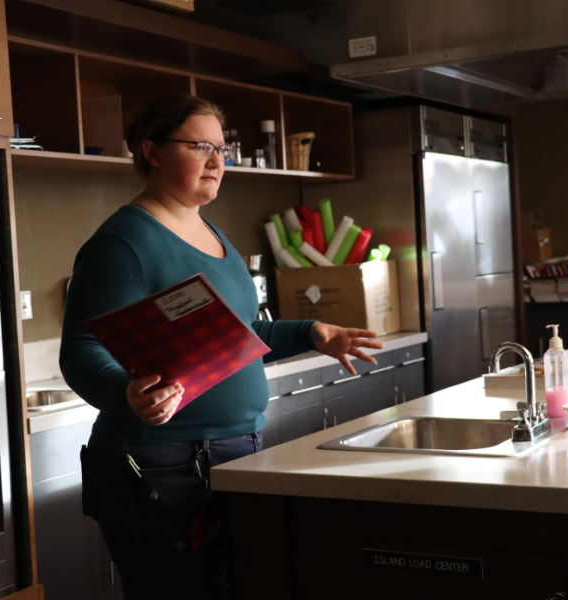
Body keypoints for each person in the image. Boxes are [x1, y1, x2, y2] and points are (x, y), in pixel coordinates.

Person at [60, 95, 382, 600]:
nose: (216, 161)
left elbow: (236, 338)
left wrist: (311, 333)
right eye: (200, 146)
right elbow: (81, 349)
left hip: (232, 452)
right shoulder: (122, 243)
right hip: (160, 464)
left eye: (222, 148)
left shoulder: (211, 232)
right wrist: (126, 392)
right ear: (153, 151)